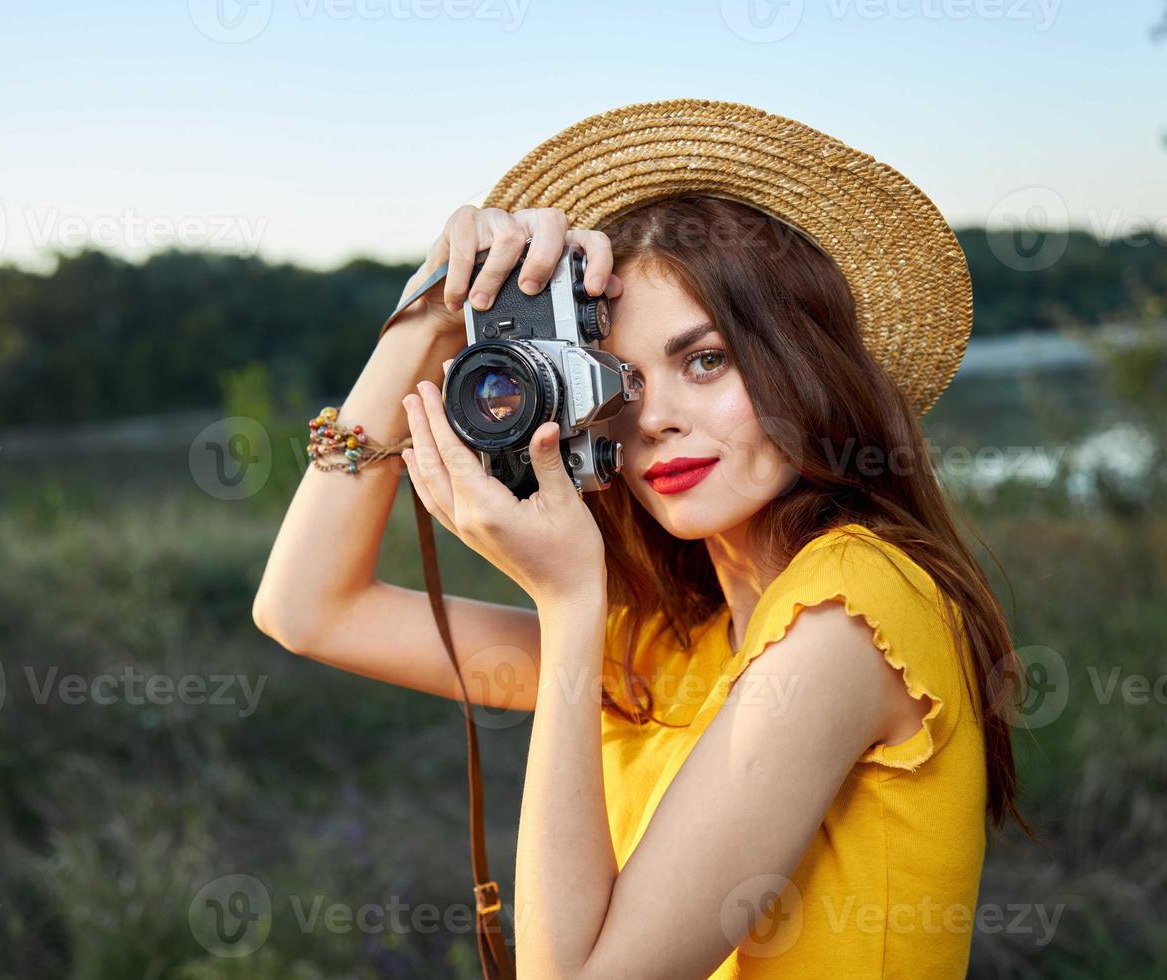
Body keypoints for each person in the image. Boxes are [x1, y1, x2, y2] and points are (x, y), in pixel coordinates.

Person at [253, 99, 1033, 979]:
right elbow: (309, 609)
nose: (653, 419)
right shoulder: (674, 639)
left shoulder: (850, 613)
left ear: (803, 362)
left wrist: (567, 600)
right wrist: (427, 325)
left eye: (705, 361)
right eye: (618, 383)